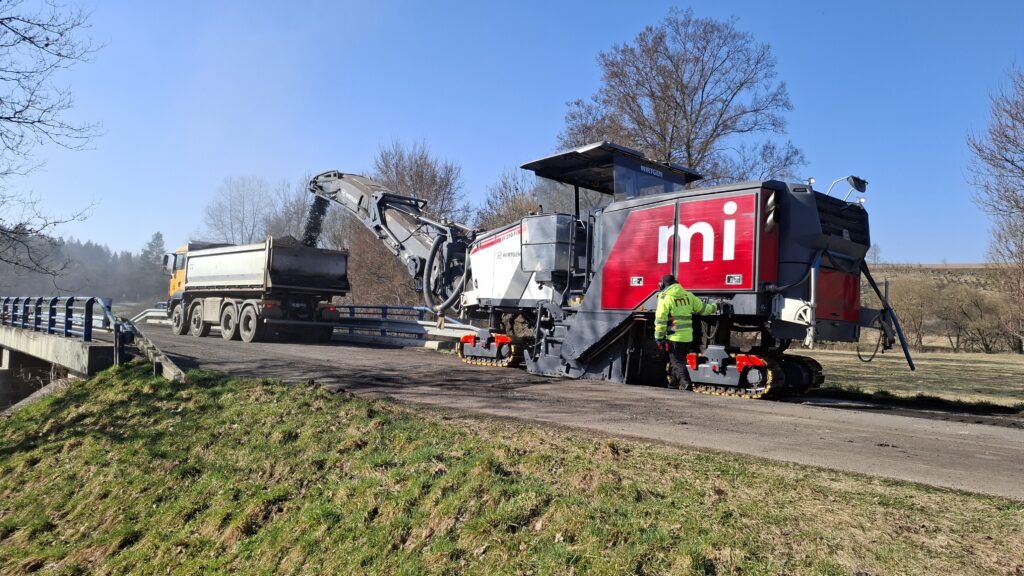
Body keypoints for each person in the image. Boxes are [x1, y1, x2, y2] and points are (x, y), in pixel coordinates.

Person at [654, 274, 724, 390]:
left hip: (674, 336)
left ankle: (685, 383)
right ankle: (673, 383)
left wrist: (659, 337)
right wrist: (716, 306)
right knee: (677, 359)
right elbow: (704, 309)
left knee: (677, 361)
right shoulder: (688, 295)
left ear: (662, 285)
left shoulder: (665, 297)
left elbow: (660, 319)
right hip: (687, 337)